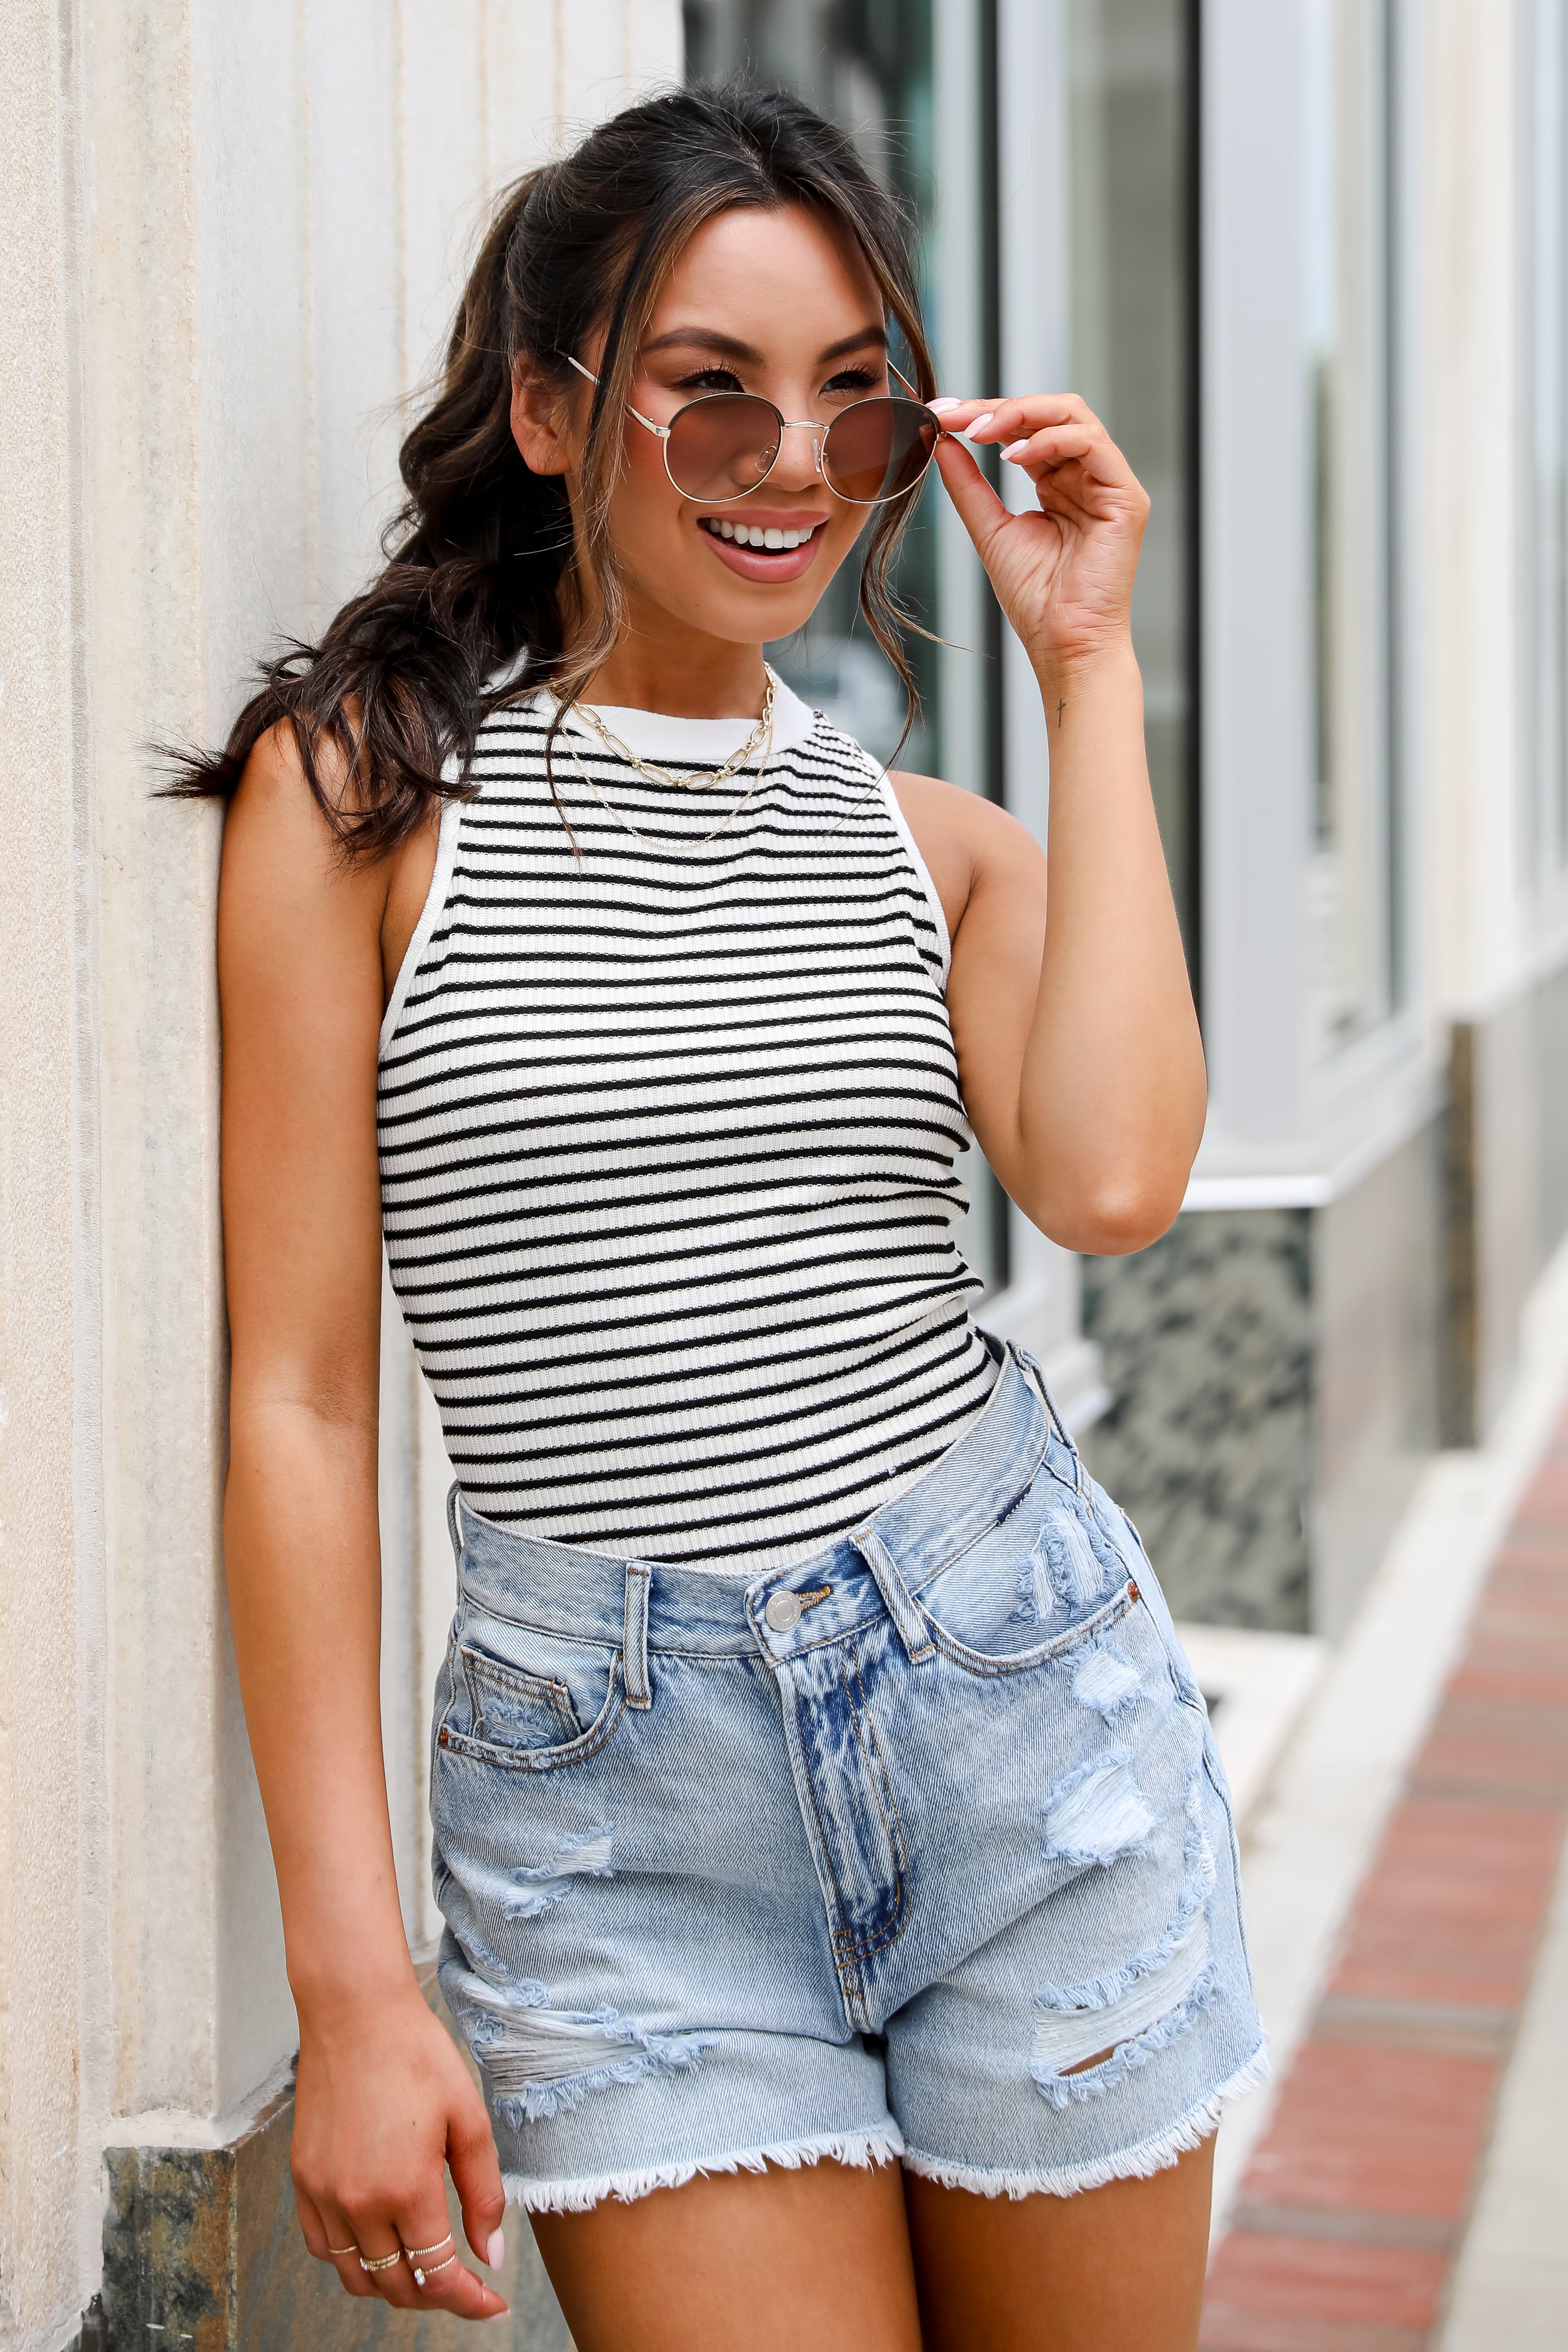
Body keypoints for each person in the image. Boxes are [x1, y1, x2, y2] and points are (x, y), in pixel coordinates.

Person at [185, 80, 1265, 2351]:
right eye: (712, 394)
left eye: (853, 407)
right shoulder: (368, 803)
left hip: (1020, 1737)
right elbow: (293, 1399)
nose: (790, 463)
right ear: (553, 412)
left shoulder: (930, 848)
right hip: (617, 1835)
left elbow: (1111, 1177)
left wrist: (1088, 667)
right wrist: (356, 1982)